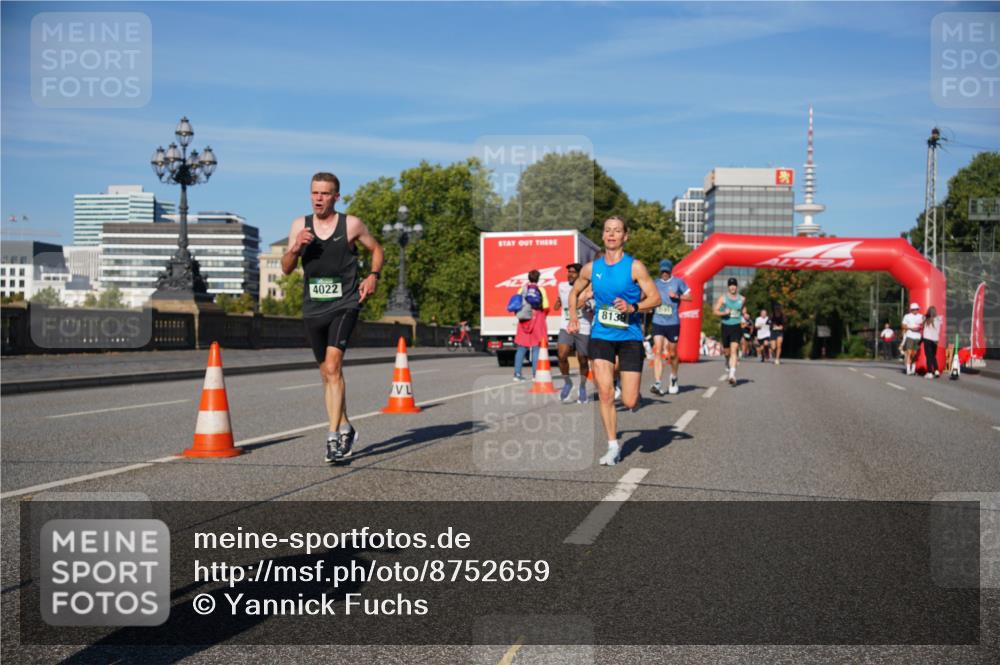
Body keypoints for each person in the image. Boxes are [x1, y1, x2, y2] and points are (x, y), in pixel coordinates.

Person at [283, 172, 383, 464]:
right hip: (313, 307)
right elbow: (287, 268)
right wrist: (295, 247)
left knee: (333, 365)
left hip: (345, 304)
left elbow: (376, 249)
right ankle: (347, 426)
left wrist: (373, 276)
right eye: (315, 193)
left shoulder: (350, 224)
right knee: (327, 374)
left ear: (336, 197)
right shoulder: (299, 225)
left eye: (325, 194)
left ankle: (333, 439)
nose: (318, 198)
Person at [567, 216, 660, 466]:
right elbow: (574, 292)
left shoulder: (635, 267)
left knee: (629, 401)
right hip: (601, 335)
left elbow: (655, 298)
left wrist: (633, 306)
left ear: (625, 236)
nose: (611, 234)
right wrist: (574, 316)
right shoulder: (591, 268)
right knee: (606, 393)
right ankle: (612, 446)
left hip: (630, 337)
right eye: (608, 230)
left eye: (617, 231)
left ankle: (631, 394)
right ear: (603, 236)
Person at [650, 259, 691, 395]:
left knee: (673, 354)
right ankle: (657, 383)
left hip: (673, 323)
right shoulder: (655, 283)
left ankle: (673, 377)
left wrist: (677, 296)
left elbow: (690, 297)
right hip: (658, 321)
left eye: (667, 271)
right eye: (663, 271)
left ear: (671, 271)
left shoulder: (678, 282)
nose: (664, 274)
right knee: (658, 351)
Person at [555, 263, 593, 403]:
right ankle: (567, 382)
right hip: (566, 325)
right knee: (561, 354)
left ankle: (582, 387)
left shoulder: (589, 288)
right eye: (568, 272)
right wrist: (558, 303)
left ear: (580, 275)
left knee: (583, 359)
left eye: (573, 272)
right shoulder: (561, 286)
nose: (569, 274)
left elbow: (594, 306)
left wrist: (588, 304)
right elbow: (560, 301)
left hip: (583, 326)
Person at [513, 269, 550, 381]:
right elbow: (546, 306)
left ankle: (517, 374)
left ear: (528, 278)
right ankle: (535, 375)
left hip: (524, 320)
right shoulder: (541, 290)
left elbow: (516, 304)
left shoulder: (521, 289)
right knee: (536, 348)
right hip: (537, 319)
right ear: (538, 279)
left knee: (521, 348)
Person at [715, 277, 747, 385]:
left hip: (736, 327)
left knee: (734, 350)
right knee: (727, 352)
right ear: (728, 287)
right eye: (730, 285)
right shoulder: (723, 298)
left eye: (734, 285)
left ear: (736, 286)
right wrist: (724, 313)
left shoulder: (742, 299)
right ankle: (727, 362)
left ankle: (732, 375)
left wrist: (745, 314)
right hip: (725, 326)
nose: (732, 287)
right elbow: (715, 311)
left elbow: (743, 309)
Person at [901, 302, 924, 376]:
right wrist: (910, 328)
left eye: (917, 309)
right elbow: (903, 326)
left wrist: (920, 327)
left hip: (917, 337)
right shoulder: (907, 316)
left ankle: (913, 369)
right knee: (909, 353)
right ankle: (908, 370)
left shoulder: (921, 316)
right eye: (914, 309)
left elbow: (924, 325)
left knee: (914, 354)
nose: (915, 311)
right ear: (911, 310)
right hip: (910, 336)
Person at [922, 305, 942, 378]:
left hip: (927, 339)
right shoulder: (938, 319)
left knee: (928, 356)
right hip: (935, 340)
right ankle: (936, 370)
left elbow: (922, 319)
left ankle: (929, 372)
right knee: (933, 356)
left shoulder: (926, 319)